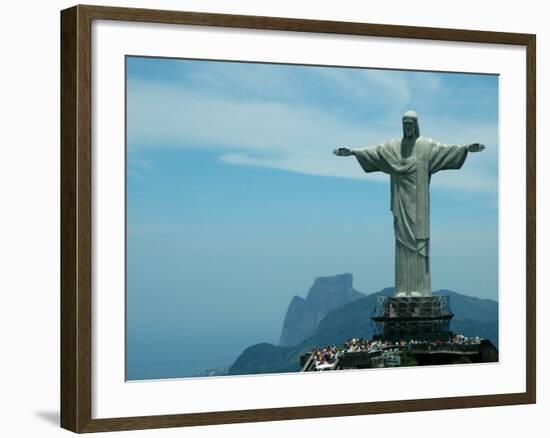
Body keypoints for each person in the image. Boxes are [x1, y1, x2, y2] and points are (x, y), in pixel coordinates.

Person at [333, 111, 485, 297]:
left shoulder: (426, 146)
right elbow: (376, 152)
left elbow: (447, 150)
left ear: (417, 125)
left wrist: (466, 148)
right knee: (402, 244)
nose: (408, 128)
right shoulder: (394, 147)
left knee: (418, 243)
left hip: (419, 207)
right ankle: (402, 289)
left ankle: (419, 289)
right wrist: (353, 152)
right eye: (405, 124)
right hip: (401, 204)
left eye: (411, 124)